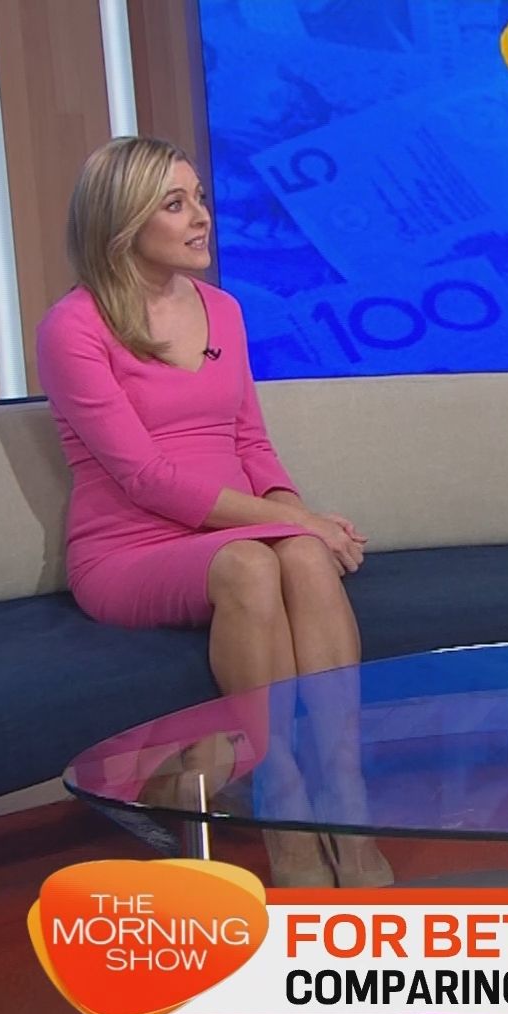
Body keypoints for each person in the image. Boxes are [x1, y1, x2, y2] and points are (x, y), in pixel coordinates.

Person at [36, 136, 389, 887]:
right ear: (123, 224)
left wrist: (297, 517)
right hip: (129, 548)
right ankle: (282, 800)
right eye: (175, 204)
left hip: (234, 532)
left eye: (198, 198)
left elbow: (251, 442)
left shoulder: (223, 310)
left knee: (301, 558)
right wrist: (294, 522)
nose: (202, 217)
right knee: (253, 565)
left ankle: (345, 794)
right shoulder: (75, 327)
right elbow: (144, 478)